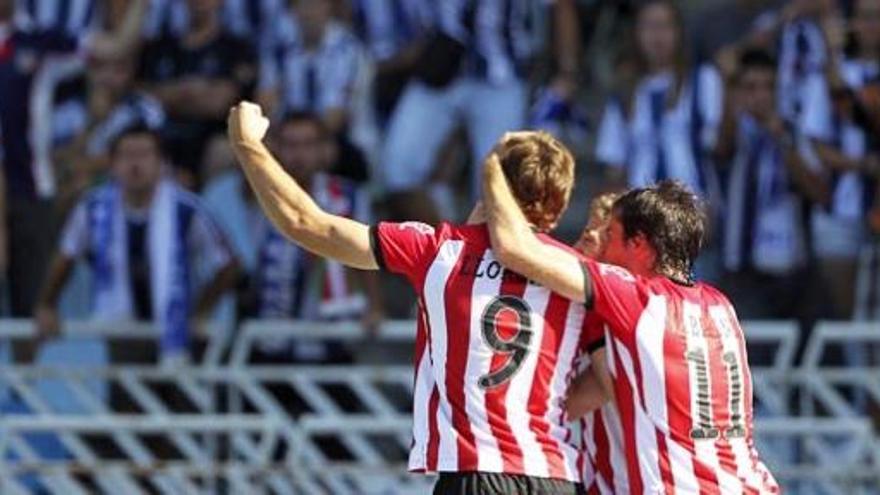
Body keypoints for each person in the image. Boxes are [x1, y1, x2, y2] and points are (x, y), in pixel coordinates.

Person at [228, 101, 598, 494]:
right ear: (556, 211)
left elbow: (307, 224)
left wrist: (246, 143)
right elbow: (607, 380)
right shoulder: (583, 275)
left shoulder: (439, 250)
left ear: (489, 185)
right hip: (555, 475)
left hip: (474, 473)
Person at [481, 152, 780, 494]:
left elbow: (512, 247)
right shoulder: (719, 305)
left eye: (608, 234)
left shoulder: (635, 299)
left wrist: (494, 170)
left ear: (638, 243)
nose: (596, 244)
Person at [33, 126, 238, 364]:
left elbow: (228, 265)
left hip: (180, 329)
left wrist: (202, 309)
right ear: (112, 164)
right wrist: (47, 303)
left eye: (144, 155)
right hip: (124, 333)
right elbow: (66, 254)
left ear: (161, 163)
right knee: (126, 397)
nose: (135, 164)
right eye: (127, 156)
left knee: (182, 398)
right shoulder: (93, 209)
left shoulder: (187, 210)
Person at [0, 0, 145, 318]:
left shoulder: (38, 41)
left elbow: (115, 48)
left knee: (31, 305)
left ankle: (27, 369)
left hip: (29, 188)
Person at [204, 111, 383, 363]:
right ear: (276, 147)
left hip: (330, 330)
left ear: (324, 149)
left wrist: (374, 306)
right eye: (290, 144)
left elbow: (368, 252)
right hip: (270, 325)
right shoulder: (259, 192)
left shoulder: (346, 196)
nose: (299, 154)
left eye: (308, 145)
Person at [380, 0, 581, 223]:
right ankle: (444, 249)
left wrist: (567, 72)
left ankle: (484, 253)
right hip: (439, 70)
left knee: (499, 181)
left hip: (501, 78)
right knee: (397, 168)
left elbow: (561, 6)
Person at [716, 49, 828, 322]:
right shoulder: (732, 132)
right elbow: (722, 149)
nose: (761, 95)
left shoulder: (794, 131)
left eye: (768, 87)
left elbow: (821, 192)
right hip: (744, 270)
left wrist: (783, 141)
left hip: (795, 270)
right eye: (751, 87)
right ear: (739, 93)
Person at [595, 0, 723, 200]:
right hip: (641, 211)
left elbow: (720, 148)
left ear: (679, 32)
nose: (657, 36)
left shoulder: (703, 80)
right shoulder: (625, 92)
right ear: (636, 34)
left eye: (664, 26)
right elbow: (614, 166)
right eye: (649, 27)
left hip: (694, 207)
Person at [800, 0, 880, 319]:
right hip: (842, 206)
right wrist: (864, 166)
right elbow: (819, 137)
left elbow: (858, 112)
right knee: (844, 314)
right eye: (866, 18)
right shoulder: (830, 76)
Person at [139, 0, 256, 186]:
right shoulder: (161, 47)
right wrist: (191, 91)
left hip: (209, 136)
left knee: (223, 151)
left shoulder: (235, 49)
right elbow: (145, 96)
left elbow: (218, 104)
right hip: (164, 133)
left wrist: (172, 95)